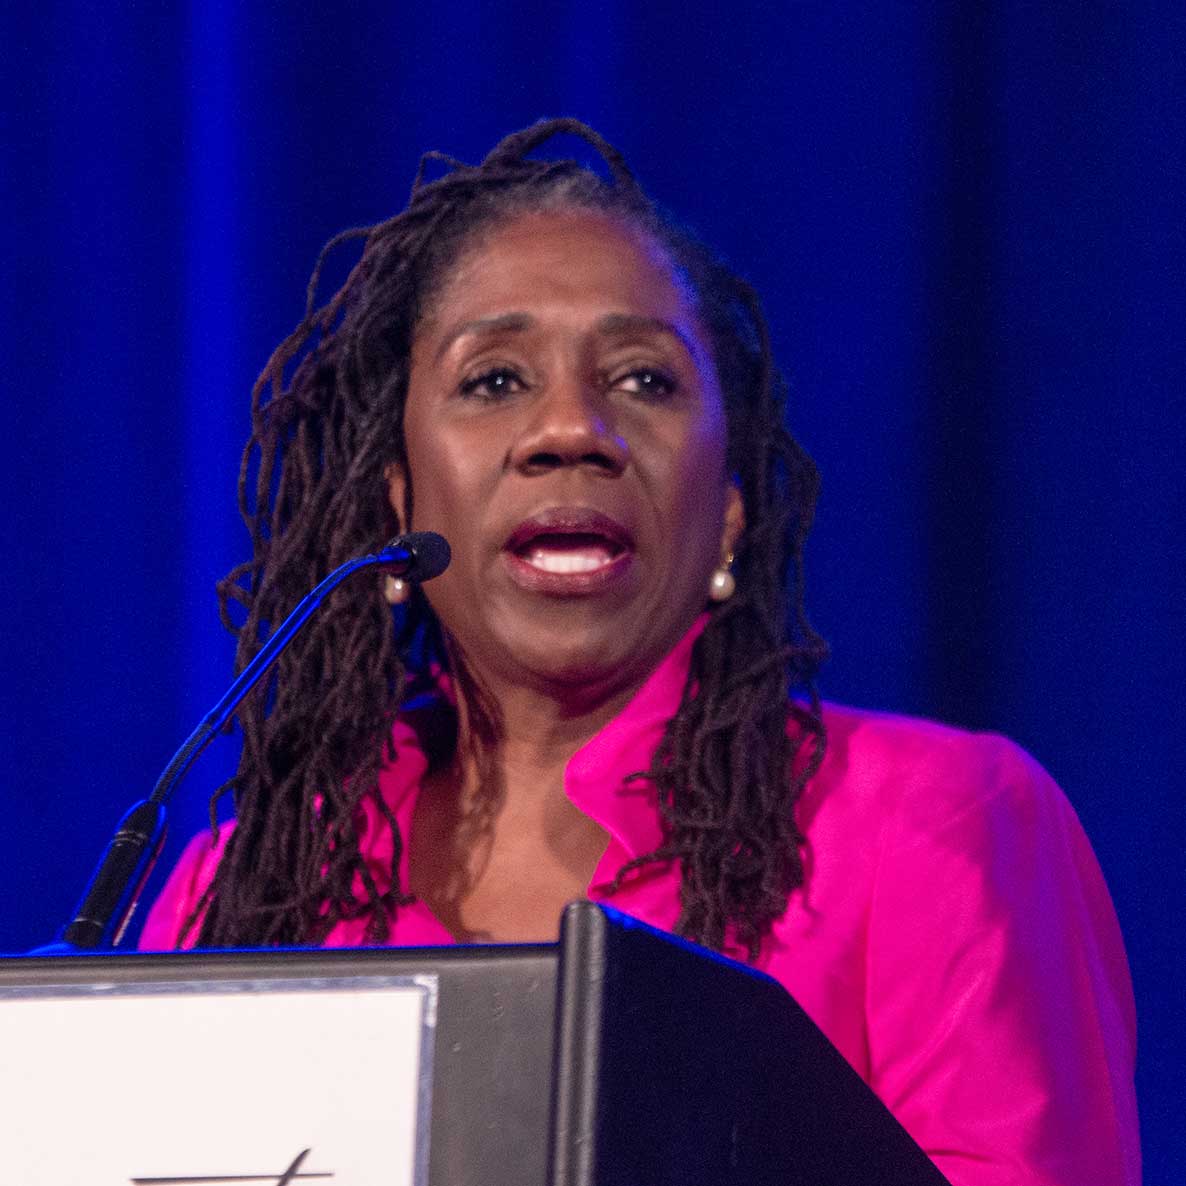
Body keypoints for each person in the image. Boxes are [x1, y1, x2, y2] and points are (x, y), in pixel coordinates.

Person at [140, 119, 1139, 1184]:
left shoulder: (935, 825)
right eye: (493, 380)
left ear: (729, 514)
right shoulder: (245, 892)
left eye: (643, 381)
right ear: (398, 500)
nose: (569, 429)